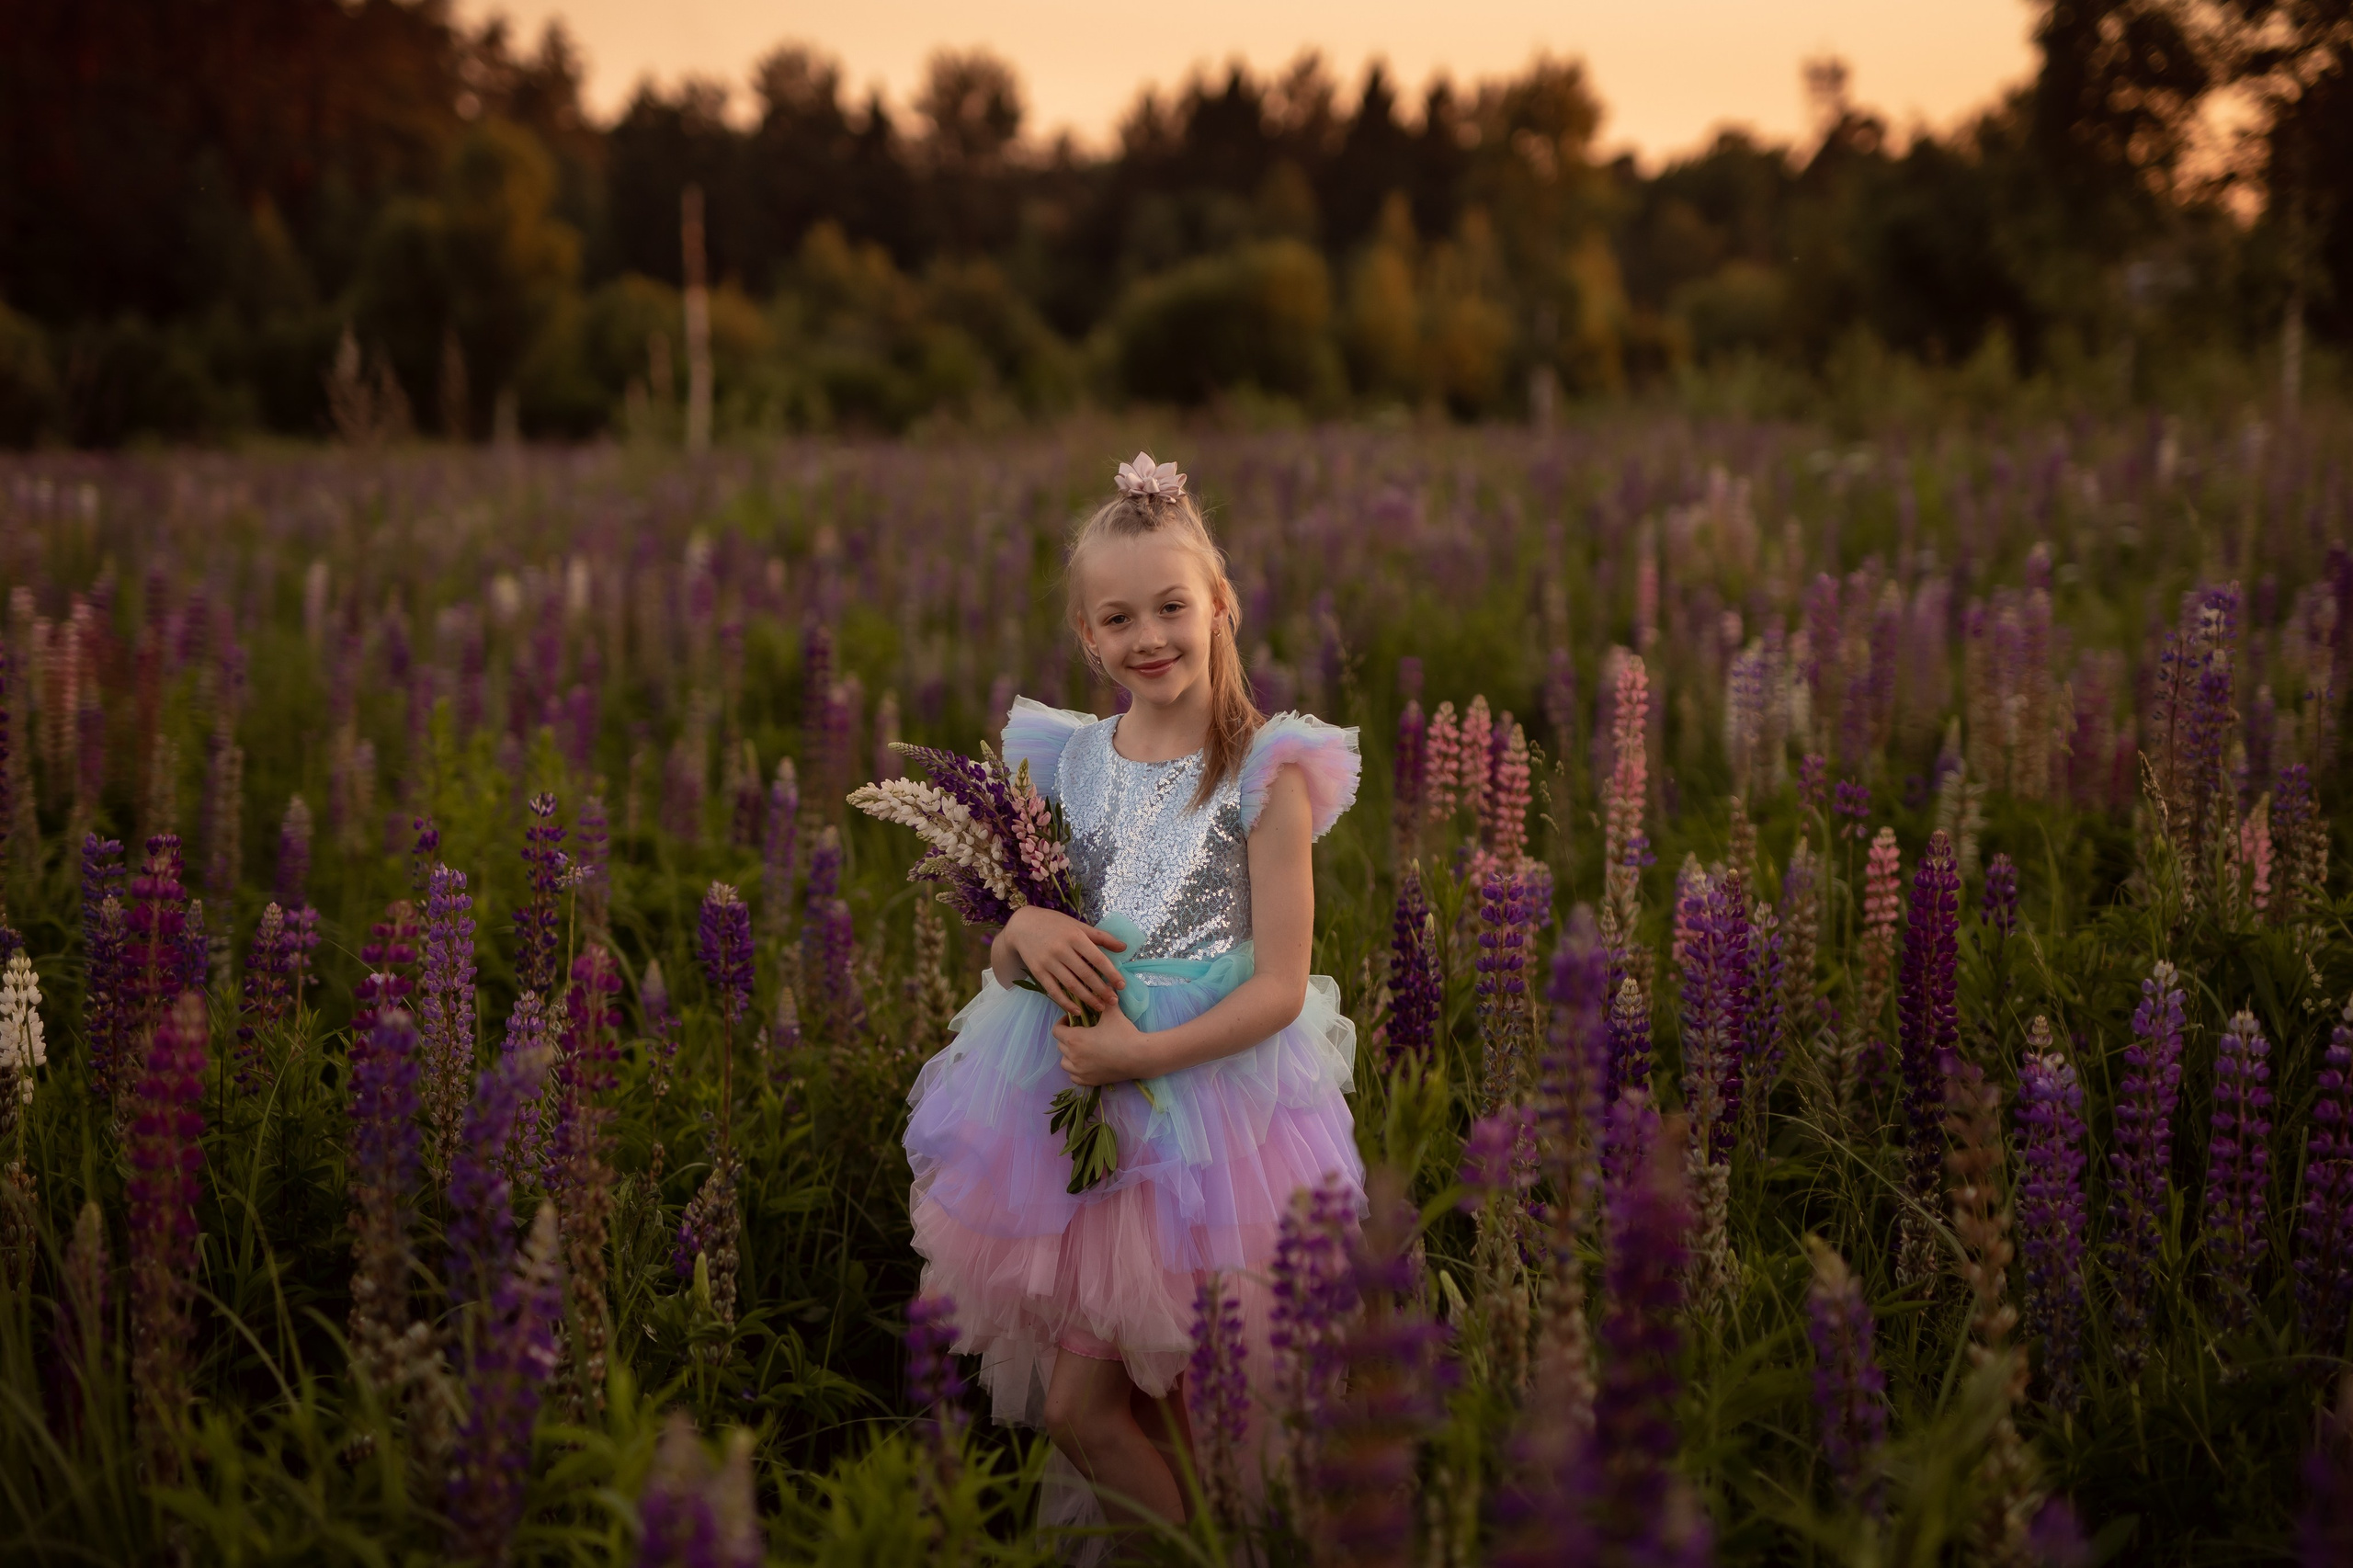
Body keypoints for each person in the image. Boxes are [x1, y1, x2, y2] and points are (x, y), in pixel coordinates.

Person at [903, 451, 1364, 1544]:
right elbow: (1033, 933)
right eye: (1118, 618)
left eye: (1170, 606)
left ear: (1221, 606)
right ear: (1086, 637)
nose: (1147, 636)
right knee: (1134, 1404)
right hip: (1075, 1112)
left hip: (1209, 1111)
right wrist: (1019, 931)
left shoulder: (1265, 771)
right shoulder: (1071, 759)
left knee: (1112, 1403)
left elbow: (1282, 985)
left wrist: (1138, 1059)